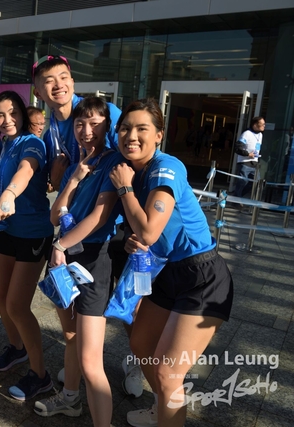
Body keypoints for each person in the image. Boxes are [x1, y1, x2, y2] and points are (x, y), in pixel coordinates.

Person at [109, 99, 233, 427]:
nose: (131, 136)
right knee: (140, 343)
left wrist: (124, 189)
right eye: (125, 128)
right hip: (166, 271)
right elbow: (148, 234)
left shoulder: (167, 166)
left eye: (141, 128)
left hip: (202, 277)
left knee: (167, 373)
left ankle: (166, 403)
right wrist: (136, 238)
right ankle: (163, 407)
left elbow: (149, 229)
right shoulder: (134, 171)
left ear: (159, 135)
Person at [35, 97, 124, 423]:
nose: (86, 131)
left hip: (92, 259)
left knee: (90, 361)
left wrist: (60, 245)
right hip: (65, 258)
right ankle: (70, 399)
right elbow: (54, 215)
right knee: (71, 336)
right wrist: (73, 178)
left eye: (95, 124)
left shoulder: (114, 162)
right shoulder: (81, 162)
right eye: (80, 124)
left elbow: (99, 217)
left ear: (107, 126)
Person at [0, 90, 54, 401]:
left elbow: (26, 170)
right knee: (1, 296)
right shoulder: (6, 144)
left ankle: (41, 376)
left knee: (17, 305)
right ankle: (17, 348)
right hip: (7, 230)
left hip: (33, 232)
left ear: (23, 114)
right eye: (0, 115)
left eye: (12, 112)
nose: (7, 120)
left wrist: (10, 193)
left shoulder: (32, 142)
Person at [31, 55, 121, 191]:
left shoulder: (106, 113)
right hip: (77, 203)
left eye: (63, 77)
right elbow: (54, 186)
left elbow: (137, 161)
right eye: (49, 81)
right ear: (38, 94)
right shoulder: (50, 137)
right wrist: (55, 181)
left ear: (72, 82)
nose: (59, 85)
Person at [233, 116, 265, 198]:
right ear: (255, 125)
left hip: (254, 162)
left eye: (264, 124)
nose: (264, 126)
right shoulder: (247, 134)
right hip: (245, 162)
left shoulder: (260, 135)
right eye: (262, 124)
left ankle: (238, 197)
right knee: (242, 182)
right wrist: (247, 154)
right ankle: (236, 199)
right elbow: (237, 148)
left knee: (256, 182)